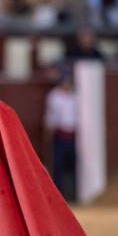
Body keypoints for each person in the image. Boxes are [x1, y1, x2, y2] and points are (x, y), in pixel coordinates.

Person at [44, 73, 77, 201]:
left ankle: (73, 195)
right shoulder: (54, 96)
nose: (67, 85)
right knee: (58, 166)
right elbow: (51, 117)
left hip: (74, 137)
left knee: (74, 167)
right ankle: (60, 197)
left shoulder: (76, 96)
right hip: (60, 136)